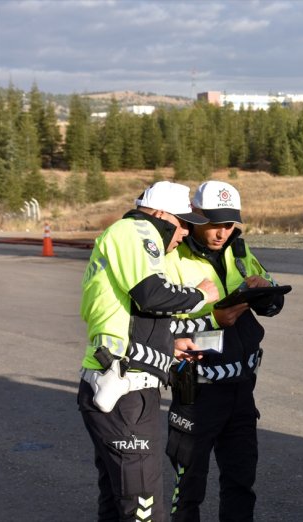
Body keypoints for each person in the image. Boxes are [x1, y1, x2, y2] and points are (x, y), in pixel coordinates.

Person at [78, 181, 220, 522]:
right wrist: (200, 294)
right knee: (144, 510)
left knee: (119, 502)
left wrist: (166, 347)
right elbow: (152, 296)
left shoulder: (136, 240)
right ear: (160, 215)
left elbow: (133, 315)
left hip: (126, 387)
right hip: (123, 392)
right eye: (182, 223)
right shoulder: (136, 230)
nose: (186, 232)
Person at [164, 180, 285, 522]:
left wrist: (267, 292)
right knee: (188, 488)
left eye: (229, 223)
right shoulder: (172, 255)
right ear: (197, 217)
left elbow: (272, 303)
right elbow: (154, 325)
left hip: (241, 388)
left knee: (241, 482)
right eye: (215, 223)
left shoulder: (240, 251)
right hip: (196, 390)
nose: (222, 232)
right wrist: (212, 317)